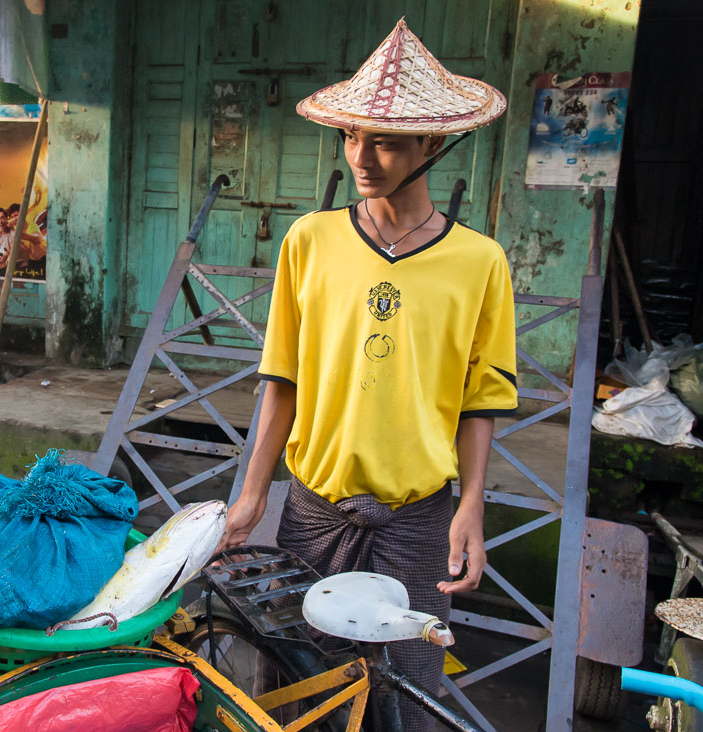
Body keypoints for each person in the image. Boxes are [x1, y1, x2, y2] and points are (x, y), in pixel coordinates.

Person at [217, 20, 516, 732]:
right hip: (315, 512)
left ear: (433, 145)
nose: (362, 156)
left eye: (384, 140)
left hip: (418, 522)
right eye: (351, 136)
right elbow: (280, 378)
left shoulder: (480, 262)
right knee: (300, 690)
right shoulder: (311, 241)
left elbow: (482, 399)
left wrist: (471, 504)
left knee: (406, 697)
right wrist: (252, 493)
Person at [0, 206, 15, 272]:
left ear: (6, 219)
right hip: (5, 268)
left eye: (2, 218)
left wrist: (8, 258)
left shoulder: (13, 234)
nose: (0, 221)